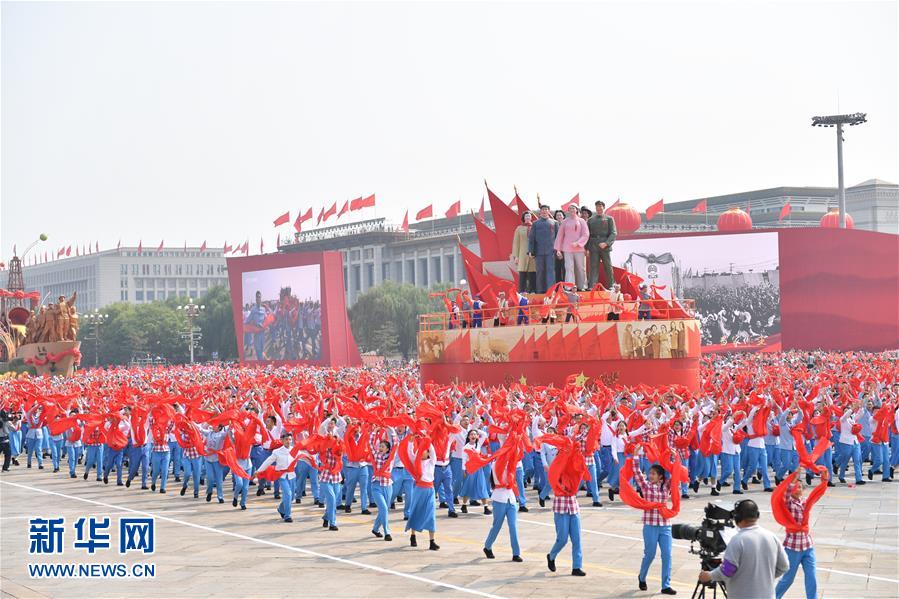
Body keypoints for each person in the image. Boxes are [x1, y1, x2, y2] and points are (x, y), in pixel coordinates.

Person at [699, 499, 789, 599]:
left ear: (737, 517)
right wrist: (763, 579)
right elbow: (784, 566)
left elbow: (727, 570)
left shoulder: (737, 540)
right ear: (757, 515)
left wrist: (709, 576)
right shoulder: (772, 537)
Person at [633, 464, 677, 595]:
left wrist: (674, 459)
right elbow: (637, 473)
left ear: (660, 476)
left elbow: (676, 474)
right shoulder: (646, 486)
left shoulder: (666, 486)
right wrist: (635, 456)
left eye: (653, 473)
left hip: (665, 525)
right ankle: (642, 576)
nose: (650, 475)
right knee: (650, 554)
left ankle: (666, 585)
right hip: (650, 525)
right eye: (650, 473)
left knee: (667, 555)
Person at [774, 479, 818, 599]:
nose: (798, 490)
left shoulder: (805, 502)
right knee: (788, 579)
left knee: (812, 577)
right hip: (792, 547)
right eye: (795, 487)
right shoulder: (789, 504)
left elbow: (816, 496)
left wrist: (824, 481)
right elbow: (786, 496)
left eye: (800, 487)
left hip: (807, 546)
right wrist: (791, 482)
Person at [554, 204, 589, 291]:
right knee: (569, 267)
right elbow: (560, 236)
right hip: (567, 249)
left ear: (577, 210)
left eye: (573, 208)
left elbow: (586, 234)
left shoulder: (581, 221)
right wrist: (558, 249)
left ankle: (582, 286)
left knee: (580, 268)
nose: (571, 210)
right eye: (569, 209)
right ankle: (569, 286)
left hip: (579, 249)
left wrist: (578, 243)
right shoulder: (565, 222)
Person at [586, 200, 617, 290]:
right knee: (593, 266)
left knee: (608, 265)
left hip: (605, 245)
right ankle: (592, 285)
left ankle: (611, 285)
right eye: (597, 207)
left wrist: (606, 243)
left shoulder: (609, 219)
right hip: (593, 245)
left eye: (600, 207)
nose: (599, 208)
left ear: (604, 207)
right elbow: (587, 235)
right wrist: (587, 248)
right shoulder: (591, 220)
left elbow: (613, 233)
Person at [527, 205, 557, 294]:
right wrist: (530, 251)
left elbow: (558, 237)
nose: (544, 211)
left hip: (551, 251)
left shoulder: (554, 223)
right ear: (540, 212)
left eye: (546, 209)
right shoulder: (535, 223)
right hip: (539, 251)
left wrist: (558, 250)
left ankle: (551, 290)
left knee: (550, 270)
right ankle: (540, 290)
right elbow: (531, 238)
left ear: (549, 211)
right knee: (540, 271)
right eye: (543, 210)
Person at [511, 211, 536, 294]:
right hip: (522, 254)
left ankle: (532, 290)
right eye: (526, 216)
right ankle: (522, 291)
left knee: (532, 273)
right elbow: (516, 243)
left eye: (529, 216)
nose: (528, 217)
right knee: (523, 273)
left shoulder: (535, 227)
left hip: (533, 254)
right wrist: (516, 256)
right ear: (524, 218)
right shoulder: (519, 228)